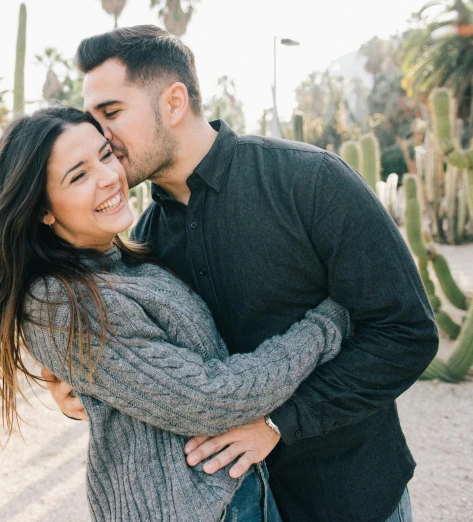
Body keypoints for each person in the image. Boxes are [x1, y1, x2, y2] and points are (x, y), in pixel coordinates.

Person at [43, 26, 439, 522]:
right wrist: (79, 386)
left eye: (112, 113)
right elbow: (153, 371)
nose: (102, 135)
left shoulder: (309, 181)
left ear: (173, 101)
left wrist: (278, 423)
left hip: (352, 494)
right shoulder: (142, 242)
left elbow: (406, 331)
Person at [0, 105, 351, 521]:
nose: (108, 177)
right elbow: (214, 398)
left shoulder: (122, 259)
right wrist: (329, 320)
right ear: (42, 210)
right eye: (78, 175)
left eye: (106, 155)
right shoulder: (58, 301)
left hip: (227, 495)